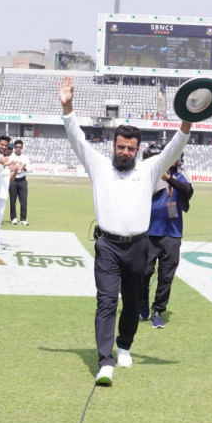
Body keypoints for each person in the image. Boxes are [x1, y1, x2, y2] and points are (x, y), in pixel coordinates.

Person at [59, 76, 191, 386]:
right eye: (121, 147)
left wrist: (188, 118)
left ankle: (125, 346)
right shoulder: (99, 165)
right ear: (113, 146)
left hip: (138, 247)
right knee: (106, 302)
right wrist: (67, 108)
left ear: (138, 149)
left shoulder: (150, 169)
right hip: (107, 246)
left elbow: (175, 147)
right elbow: (76, 137)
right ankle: (105, 361)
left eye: (131, 148)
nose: (125, 152)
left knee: (131, 303)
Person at [140, 143, 193, 329]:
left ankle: (158, 310)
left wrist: (168, 178)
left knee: (166, 276)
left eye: (177, 155)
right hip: (149, 231)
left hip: (172, 233)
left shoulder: (182, 176)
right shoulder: (153, 174)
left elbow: (187, 191)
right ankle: (142, 301)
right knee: (144, 272)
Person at [9, 139, 32, 225]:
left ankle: (23, 219)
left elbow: (30, 169)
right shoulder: (11, 157)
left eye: (20, 147)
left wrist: (24, 168)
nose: (18, 149)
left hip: (22, 180)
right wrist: (14, 168)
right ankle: (13, 218)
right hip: (13, 180)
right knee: (12, 200)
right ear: (14, 147)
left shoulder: (25, 157)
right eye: (17, 147)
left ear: (22, 148)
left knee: (23, 200)